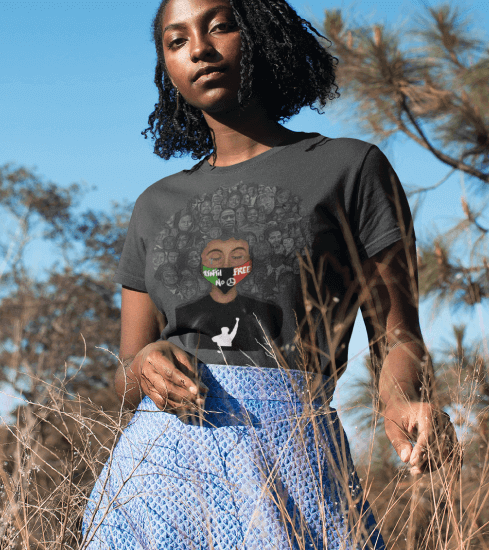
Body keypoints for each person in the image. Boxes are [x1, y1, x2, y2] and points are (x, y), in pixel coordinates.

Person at [83, 0, 459, 548]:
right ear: (167, 68)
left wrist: (402, 399)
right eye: (176, 40)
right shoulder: (155, 206)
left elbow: (397, 335)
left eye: (219, 25)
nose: (200, 49)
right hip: (155, 470)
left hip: (290, 452)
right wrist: (144, 364)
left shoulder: (349, 168)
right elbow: (125, 373)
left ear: (259, 32)